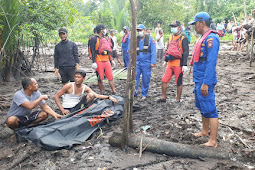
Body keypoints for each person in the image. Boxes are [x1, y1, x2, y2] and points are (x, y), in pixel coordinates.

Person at [189, 12, 220, 148]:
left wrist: (206, 83)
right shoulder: (203, 38)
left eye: (195, 23)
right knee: (202, 106)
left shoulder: (211, 39)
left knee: (210, 109)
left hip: (205, 79)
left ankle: (213, 141)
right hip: (198, 78)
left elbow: (211, 63)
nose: (194, 27)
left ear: (202, 23)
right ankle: (204, 131)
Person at [157, 20, 189, 103]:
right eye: (172, 27)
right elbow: (168, 50)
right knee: (164, 80)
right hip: (170, 64)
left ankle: (178, 99)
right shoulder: (171, 37)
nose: (173, 28)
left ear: (179, 27)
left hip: (179, 64)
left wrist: (185, 64)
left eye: (174, 27)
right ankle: (163, 97)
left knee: (179, 82)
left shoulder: (183, 38)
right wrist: (166, 60)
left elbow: (186, 52)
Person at [89, 24, 116, 94]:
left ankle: (114, 91)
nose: (105, 30)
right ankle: (102, 92)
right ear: (101, 30)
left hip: (106, 61)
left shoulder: (105, 39)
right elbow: (92, 51)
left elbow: (108, 51)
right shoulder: (93, 39)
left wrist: (111, 60)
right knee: (100, 78)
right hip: (99, 61)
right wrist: (93, 62)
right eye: (104, 29)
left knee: (110, 77)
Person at [134, 24, 156, 100]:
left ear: (144, 30)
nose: (139, 32)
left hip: (146, 63)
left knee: (146, 79)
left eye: (140, 30)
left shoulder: (150, 39)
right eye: (138, 31)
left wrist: (153, 62)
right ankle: (134, 92)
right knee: (134, 78)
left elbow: (153, 51)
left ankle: (144, 94)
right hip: (137, 63)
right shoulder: (136, 40)